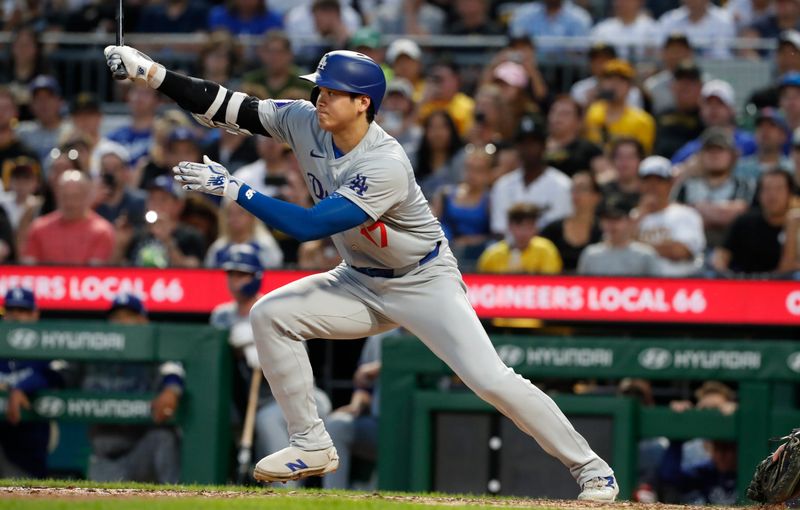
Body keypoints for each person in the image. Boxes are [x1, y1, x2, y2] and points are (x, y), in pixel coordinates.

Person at [104, 44, 619, 499]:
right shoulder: (305, 119)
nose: (320, 98)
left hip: (423, 281)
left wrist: (237, 190)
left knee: (491, 380)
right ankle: (310, 443)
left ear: (363, 103)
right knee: (269, 315)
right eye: (319, 89)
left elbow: (307, 227)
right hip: (360, 278)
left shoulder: (385, 162)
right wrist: (155, 75)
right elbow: (229, 105)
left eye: (332, 92)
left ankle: (593, 470)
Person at [209, 243, 331, 485]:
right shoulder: (221, 315)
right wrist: (237, 348)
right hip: (248, 401)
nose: (235, 281)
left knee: (267, 419)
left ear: (256, 277)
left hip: (297, 399)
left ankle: (288, 492)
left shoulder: (272, 309)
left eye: (241, 274)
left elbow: (297, 362)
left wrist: (266, 355)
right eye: (231, 274)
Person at [83, 293, 182, 483]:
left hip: (140, 450)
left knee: (164, 437)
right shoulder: (95, 351)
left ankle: (177, 497)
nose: (121, 322)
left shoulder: (153, 349)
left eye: (128, 316)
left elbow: (173, 369)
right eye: (116, 317)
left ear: (143, 320)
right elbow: (59, 372)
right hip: (105, 457)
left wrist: (171, 390)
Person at [1, 287, 62, 479]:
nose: (16, 316)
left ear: (35, 314)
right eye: (11, 311)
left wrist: (20, 387)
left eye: (23, 311)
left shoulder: (46, 342)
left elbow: (56, 374)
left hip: (27, 445)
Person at [673, 128, 756, 248]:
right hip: (691, 250)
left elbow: (737, 217)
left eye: (720, 150)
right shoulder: (686, 185)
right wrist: (721, 213)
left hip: (732, 252)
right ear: (700, 155)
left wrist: (696, 208)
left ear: (732, 155)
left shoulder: (744, 185)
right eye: (709, 150)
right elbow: (677, 219)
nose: (714, 155)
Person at [491, 114, 573, 233]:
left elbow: (558, 232)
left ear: (544, 146)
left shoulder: (562, 185)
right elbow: (499, 230)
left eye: (533, 143)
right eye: (523, 143)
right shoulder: (502, 185)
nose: (528, 149)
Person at [21, 170, 115, 265]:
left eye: (75, 196)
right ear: (57, 196)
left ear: (87, 196)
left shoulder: (101, 231)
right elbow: (28, 269)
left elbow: (95, 274)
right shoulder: (39, 228)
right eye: (65, 196)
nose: (69, 203)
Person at [713, 169, 796, 274]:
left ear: (790, 193)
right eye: (767, 189)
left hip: (785, 285)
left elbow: (790, 269)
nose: (772, 195)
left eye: (779, 189)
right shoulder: (743, 222)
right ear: (759, 194)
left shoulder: (796, 225)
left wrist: (792, 227)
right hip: (743, 283)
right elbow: (721, 257)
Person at [635, 156, 706, 277]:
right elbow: (619, 252)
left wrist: (635, 246)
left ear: (670, 183)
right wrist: (637, 218)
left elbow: (679, 252)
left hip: (680, 283)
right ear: (639, 184)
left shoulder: (686, 214)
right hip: (640, 286)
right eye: (647, 180)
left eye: (659, 180)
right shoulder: (633, 217)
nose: (653, 186)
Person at [578, 195, 661, 276]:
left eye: (616, 219)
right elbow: (583, 286)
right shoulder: (590, 254)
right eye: (606, 219)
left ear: (629, 221)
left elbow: (656, 286)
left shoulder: (645, 255)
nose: (610, 225)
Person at [584, 59, 656, 154]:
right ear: (601, 83)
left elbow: (642, 156)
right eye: (609, 79)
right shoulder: (591, 112)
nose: (614, 84)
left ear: (630, 86)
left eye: (621, 80)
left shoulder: (642, 121)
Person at [540, 171, 603, 272]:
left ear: (596, 196)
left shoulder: (604, 231)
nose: (576, 194)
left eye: (582, 189)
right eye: (573, 189)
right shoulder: (552, 230)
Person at [478, 203, 563, 274]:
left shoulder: (546, 250)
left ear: (536, 228)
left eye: (529, 226)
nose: (524, 232)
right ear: (509, 226)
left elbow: (551, 282)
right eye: (519, 226)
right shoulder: (492, 254)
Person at [418, 61, 475, 139]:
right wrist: (422, 102)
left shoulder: (468, 106)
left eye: (440, 79)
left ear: (455, 80)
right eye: (434, 80)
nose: (436, 84)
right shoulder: (420, 103)